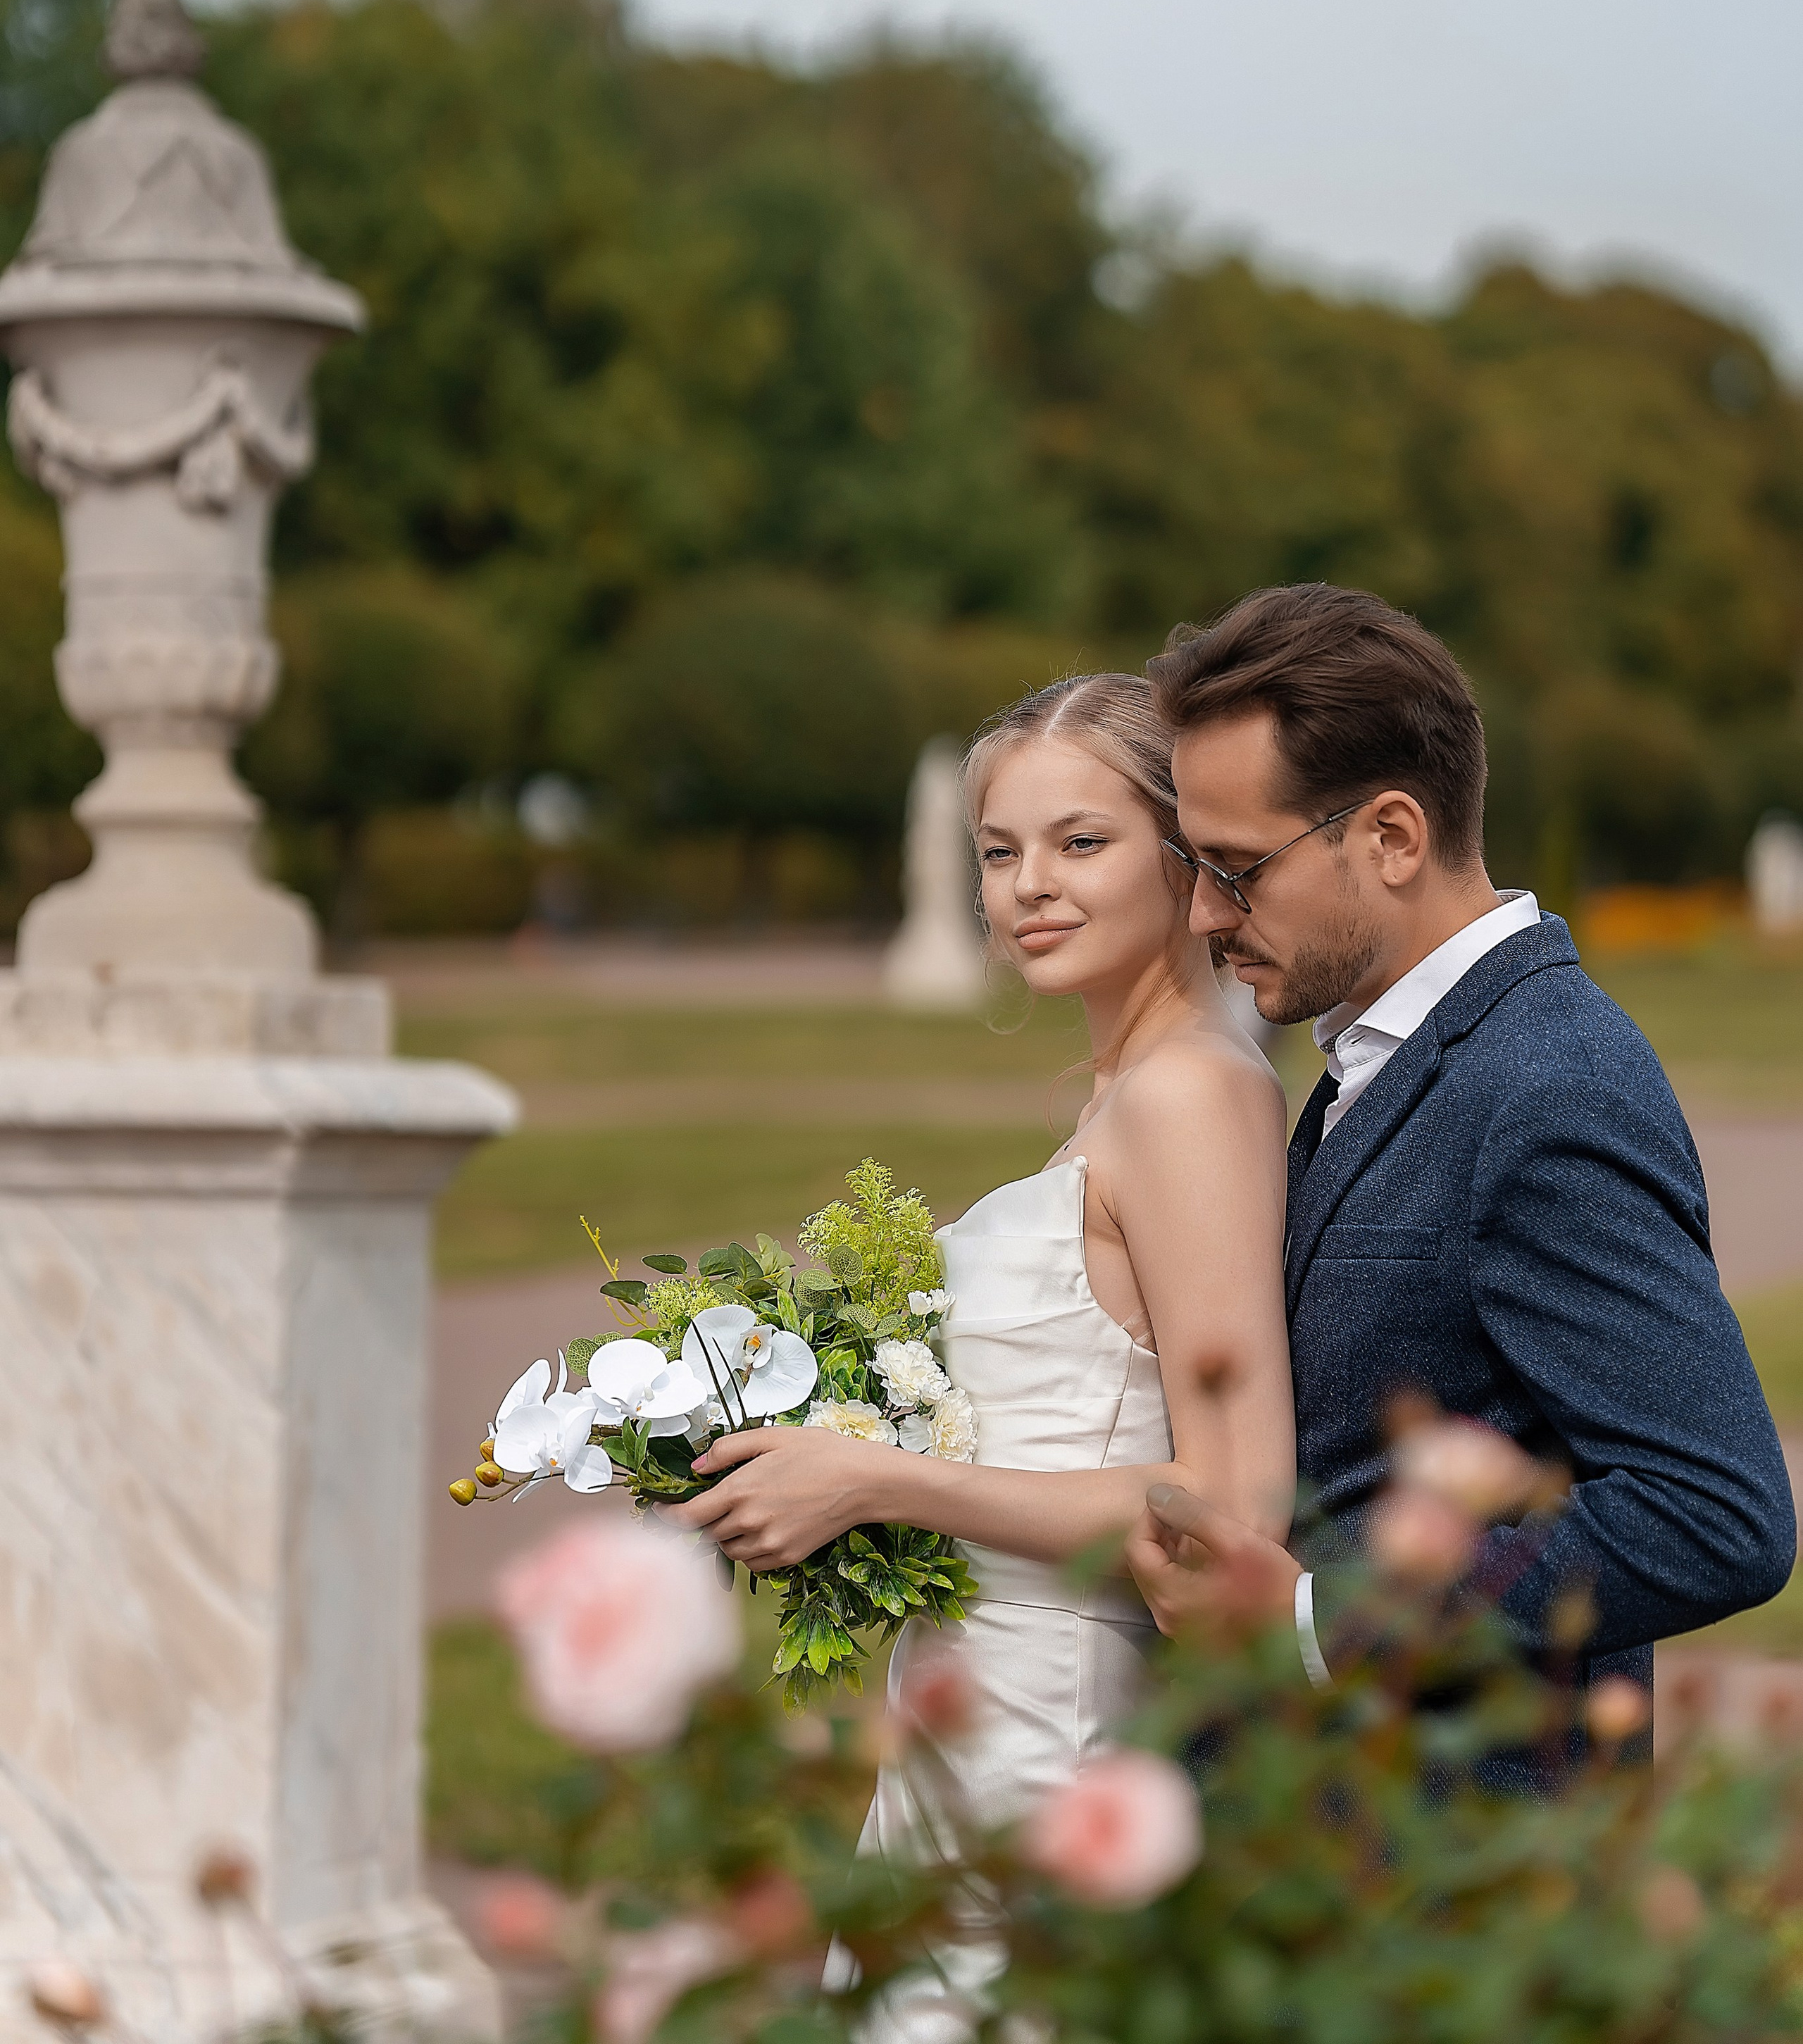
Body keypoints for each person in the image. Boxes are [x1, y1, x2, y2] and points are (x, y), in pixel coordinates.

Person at [1121, 583, 1795, 1721]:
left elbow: (1714, 1511)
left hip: (1461, 1858)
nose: (1202, 916)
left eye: (1236, 869)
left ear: (1391, 836)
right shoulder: (1376, 1050)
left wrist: (1326, 1624)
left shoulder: (1552, 1084)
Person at [678, 673, 1292, 1856]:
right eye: (999, 851)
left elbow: (1233, 1501)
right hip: (981, 1695)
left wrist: (872, 1483)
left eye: (1081, 841)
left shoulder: (1192, 1097)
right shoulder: (1130, 1089)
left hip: (1055, 1724)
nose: (1032, 886)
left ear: (1185, 856)